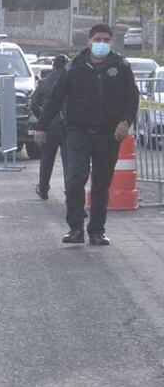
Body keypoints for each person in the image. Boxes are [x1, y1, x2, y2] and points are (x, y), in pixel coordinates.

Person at [36, 24, 139, 245]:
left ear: (111, 42)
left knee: (101, 183)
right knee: (76, 179)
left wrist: (125, 121)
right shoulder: (74, 67)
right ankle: (75, 228)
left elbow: (133, 97)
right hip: (78, 132)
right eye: (97, 39)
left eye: (106, 39)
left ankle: (97, 231)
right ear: (89, 41)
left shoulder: (120, 66)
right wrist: (42, 126)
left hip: (108, 135)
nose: (101, 43)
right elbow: (56, 97)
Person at [30, 54, 70, 200]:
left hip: (49, 125)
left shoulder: (44, 83)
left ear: (53, 65)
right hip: (68, 124)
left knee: (47, 159)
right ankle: (70, 192)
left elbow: (33, 104)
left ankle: (43, 188)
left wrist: (42, 119)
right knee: (69, 161)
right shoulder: (71, 80)